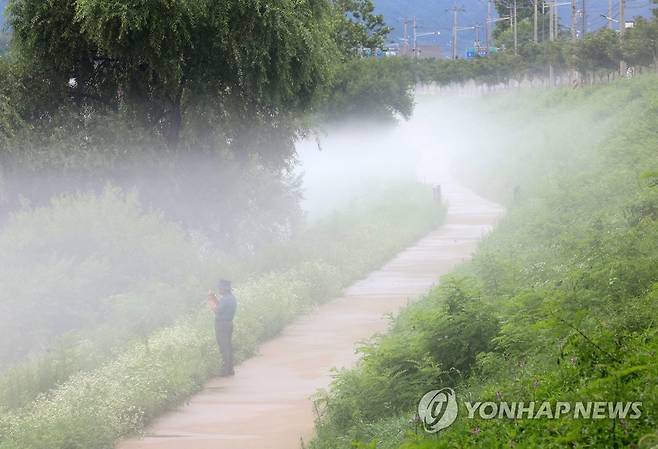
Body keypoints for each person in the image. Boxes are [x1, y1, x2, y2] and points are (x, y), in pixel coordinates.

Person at [208, 279, 237, 377]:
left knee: (223, 347)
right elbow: (221, 306)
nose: (219, 289)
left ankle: (225, 370)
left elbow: (217, 310)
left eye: (220, 288)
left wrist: (211, 300)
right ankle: (230, 369)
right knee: (228, 346)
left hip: (222, 325)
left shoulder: (225, 299)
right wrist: (214, 297)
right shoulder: (231, 298)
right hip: (228, 324)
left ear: (224, 289)